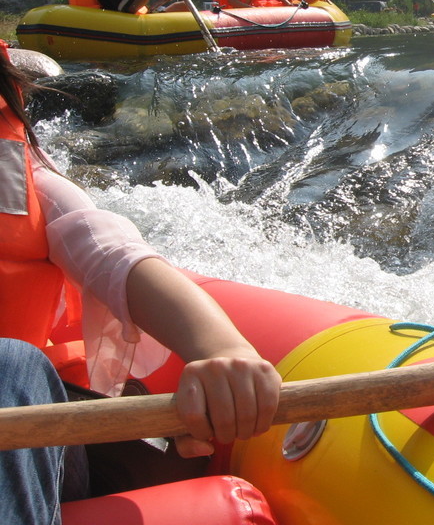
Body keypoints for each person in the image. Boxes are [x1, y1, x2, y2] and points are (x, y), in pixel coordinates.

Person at [0, 41, 282, 523]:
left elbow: (113, 252)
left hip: (28, 431)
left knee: (12, 361)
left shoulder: (32, 186)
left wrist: (221, 349)